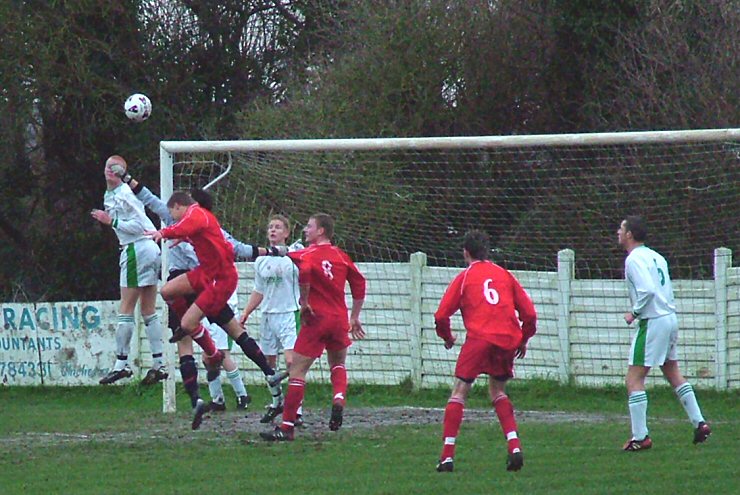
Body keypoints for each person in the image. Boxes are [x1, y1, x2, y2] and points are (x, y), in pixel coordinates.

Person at [145, 191, 287, 428]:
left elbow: (186, 227)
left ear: (182, 206)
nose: (173, 219)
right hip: (205, 274)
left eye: (173, 214)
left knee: (190, 327)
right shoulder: (204, 226)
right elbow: (235, 249)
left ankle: (213, 355)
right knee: (168, 292)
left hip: (217, 281)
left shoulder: (196, 215)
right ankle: (267, 372)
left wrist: (164, 232)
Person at [433, 230, 536, 473]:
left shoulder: (466, 277)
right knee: (498, 390)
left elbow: (441, 315)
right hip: (506, 339)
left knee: (459, 391)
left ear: (465, 252)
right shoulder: (504, 275)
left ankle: (447, 457)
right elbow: (529, 314)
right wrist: (523, 338)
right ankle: (515, 446)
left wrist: (447, 338)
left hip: (479, 338)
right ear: (486, 251)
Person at [260, 213, 366, 442]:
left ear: (321, 231)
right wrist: (355, 316)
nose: (305, 230)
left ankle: (286, 428)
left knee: (297, 371)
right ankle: (338, 398)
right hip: (339, 319)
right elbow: (359, 283)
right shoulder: (341, 256)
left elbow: (302, 269)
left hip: (316, 319)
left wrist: (304, 302)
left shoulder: (308, 254)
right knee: (337, 364)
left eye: (309, 227)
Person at [617, 215, 711, 451]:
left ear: (629, 234)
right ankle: (700, 422)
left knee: (634, 378)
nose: (618, 232)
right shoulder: (656, 256)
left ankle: (640, 437)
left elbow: (647, 290)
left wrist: (634, 313)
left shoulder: (634, 259)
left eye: (621, 229)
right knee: (672, 372)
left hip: (653, 320)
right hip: (669, 318)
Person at [90, 155, 167, 386]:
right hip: (148, 249)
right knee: (148, 310)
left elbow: (138, 225)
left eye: (116, 169)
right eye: (108, 167)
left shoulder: (124, 194)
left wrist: (110, 221)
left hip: (137, 248)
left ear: (123, 172)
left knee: (126, 310)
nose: (110, 171)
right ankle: (159, 363)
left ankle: (121, 365)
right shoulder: (111, 194)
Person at [240, 214, 304, 424]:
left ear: (286, 233)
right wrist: (246, 312)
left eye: (277, 227)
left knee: (291, 360)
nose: (273, 230)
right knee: (268, 364)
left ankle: (297, 410)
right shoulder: (261, 259)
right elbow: (259, 290)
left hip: (288, 313)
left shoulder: (294, 256)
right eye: (270, 227)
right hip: (267, 316)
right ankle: (277, 402)